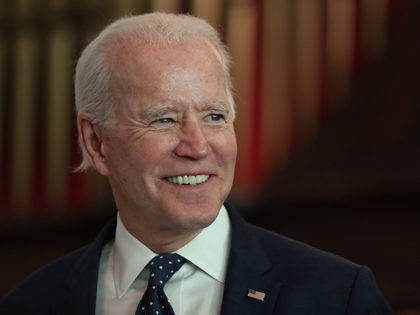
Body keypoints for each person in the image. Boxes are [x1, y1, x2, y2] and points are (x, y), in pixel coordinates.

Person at [0, 12, 393, 315]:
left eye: (214, 117)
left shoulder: (337, 296)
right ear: (97, 142)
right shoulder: (30, 305)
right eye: (164, 119)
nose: (197, 146)